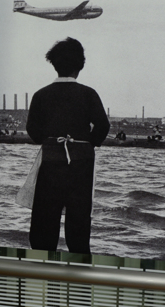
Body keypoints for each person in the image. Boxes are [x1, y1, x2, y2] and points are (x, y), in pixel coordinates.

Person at [25, 37, 110, 254]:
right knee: (79, 224)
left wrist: (52, 139)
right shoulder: (88, 94)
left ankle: (43, 274)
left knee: (44, 224)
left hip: (51, 162)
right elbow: (103, 125)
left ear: (54, 64)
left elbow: (33, 132)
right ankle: (79, 277)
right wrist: (86, 143)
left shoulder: (40, 95)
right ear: (80, 65)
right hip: (81, 165)